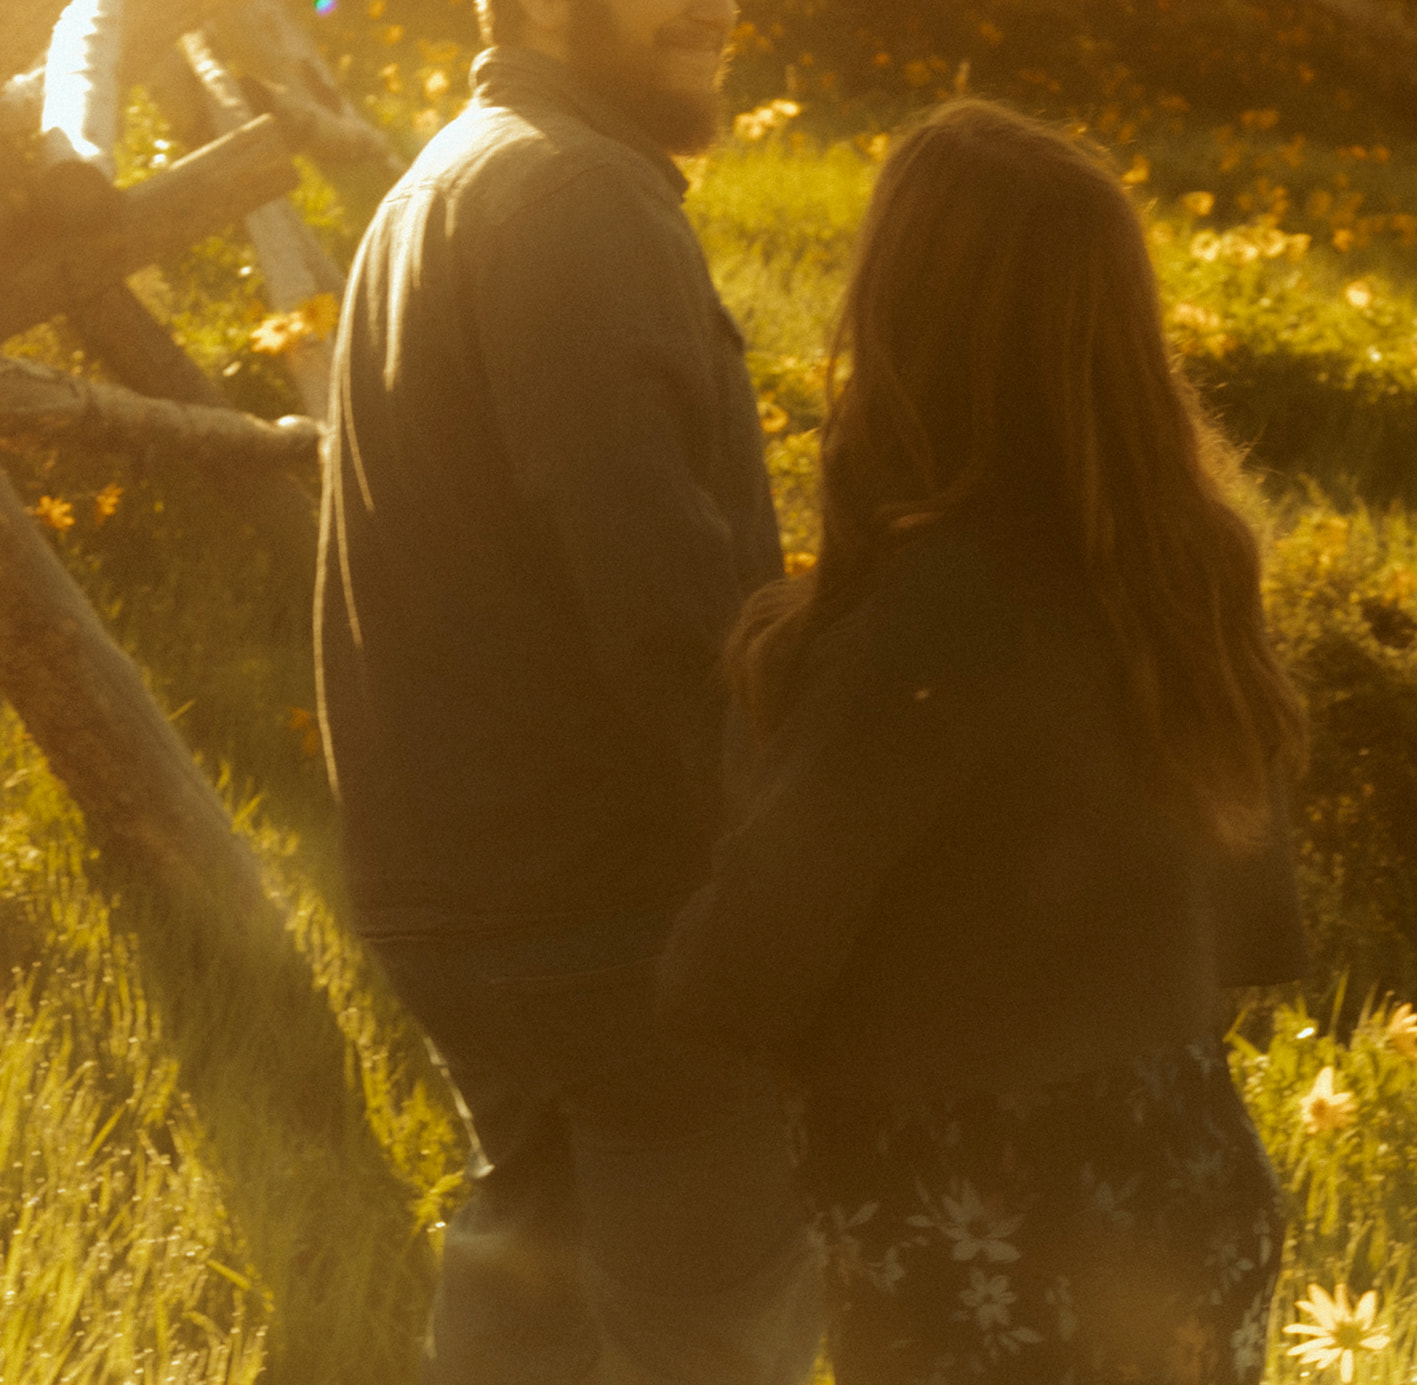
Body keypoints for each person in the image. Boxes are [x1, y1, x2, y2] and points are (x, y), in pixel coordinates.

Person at [659, 100, 1310, 1385]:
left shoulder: (936, 612)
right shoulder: (1178, 575)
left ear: (911, 326)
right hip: (1188, 1183)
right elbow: (1256, 928)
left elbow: (741, 966)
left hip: (988, 1222)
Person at [313, 1, 820, 1381]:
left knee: (534, 1322)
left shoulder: (446, 179)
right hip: (615, 912)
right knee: (711, 1335)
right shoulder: (578, 196)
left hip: (472, 901)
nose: (712, 8)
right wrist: (790, 880)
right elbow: (664, 602)